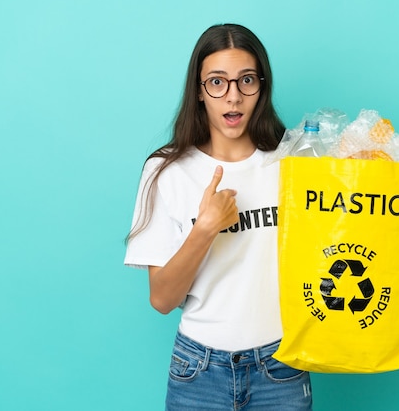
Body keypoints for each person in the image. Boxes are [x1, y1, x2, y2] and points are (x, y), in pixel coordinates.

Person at [124, 23, 313, 410]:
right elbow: (161, 299)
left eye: (246, 80)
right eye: (217, 82)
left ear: (262, 85)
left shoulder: (293, 162)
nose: (233, 97)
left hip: (281, 369)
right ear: (198, 90)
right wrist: (206, 228)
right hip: (199, 372)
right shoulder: (166, 171)